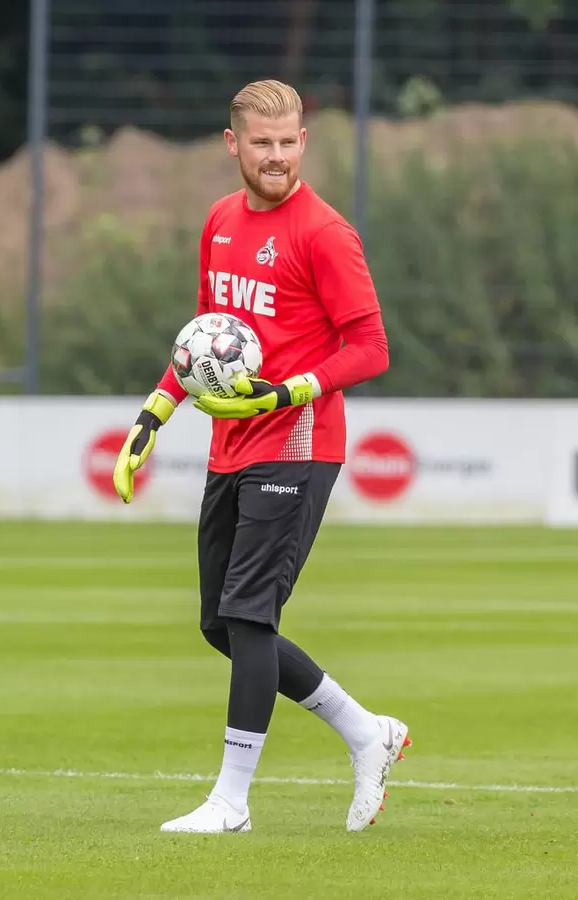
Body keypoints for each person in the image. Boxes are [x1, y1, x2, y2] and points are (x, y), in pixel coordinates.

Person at [113, 79, 410, 834]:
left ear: (303, 142)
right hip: (230, 443)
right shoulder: (218, 222)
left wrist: (290, 392)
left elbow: (371, 349)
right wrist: (154, 414)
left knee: (249, 614)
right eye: (262, 144)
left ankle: (231, 803)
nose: (276, 157)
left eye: (288, 143)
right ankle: (366, 731)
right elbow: (202, 345)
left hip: (300, 441)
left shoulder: (325, 233)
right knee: (221, 623)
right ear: (233, 144)